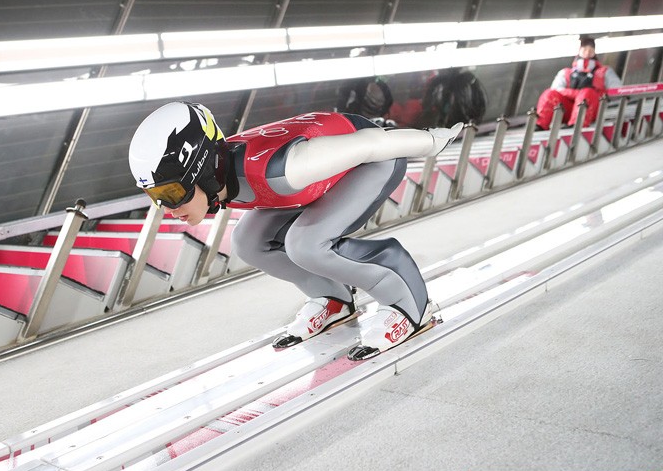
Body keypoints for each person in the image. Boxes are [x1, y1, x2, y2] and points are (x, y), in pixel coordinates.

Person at [128, 102, 462, 360]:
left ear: (200, 170)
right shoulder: (225, 178)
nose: (168, 209)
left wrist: (431, 140)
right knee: (247, 242)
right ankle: (333, 297)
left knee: (307, 244)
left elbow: (371, 144)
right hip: (321, 179)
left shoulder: (284, 168)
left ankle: (409, 303)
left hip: (372, 162)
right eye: (156, 197)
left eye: (171, 193)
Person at [535, 36, 621, 130]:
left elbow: (617, 91)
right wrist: (577, 94)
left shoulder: (604, 71)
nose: (587, 53)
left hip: (591, 110)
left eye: (590, 50)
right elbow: (555, 89)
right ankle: (540, 124)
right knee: (549, 94)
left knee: (587, 92)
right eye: (584, 49)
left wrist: (597, 93)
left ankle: (576, 123)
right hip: (566, 110)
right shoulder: (565, 73)